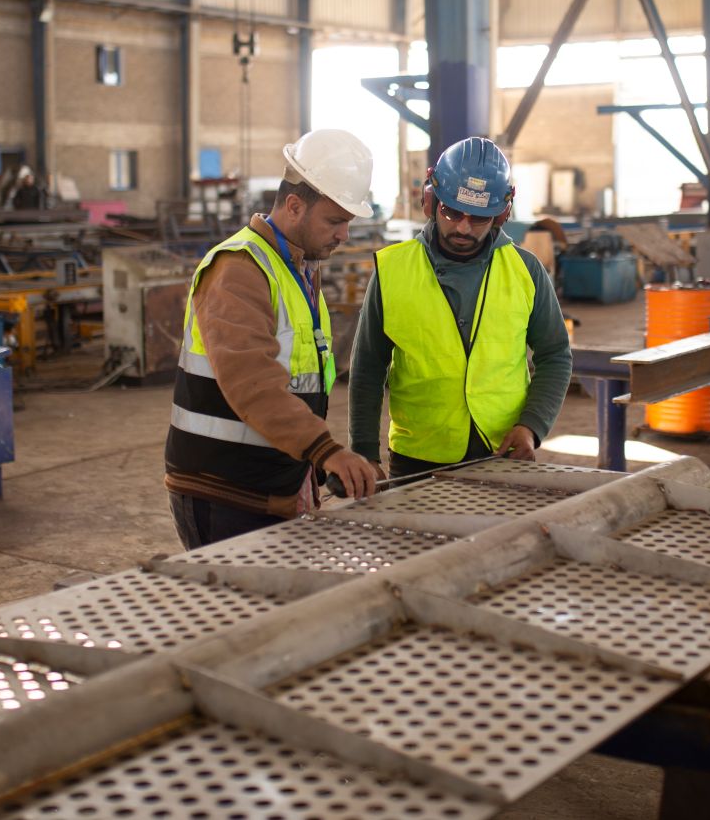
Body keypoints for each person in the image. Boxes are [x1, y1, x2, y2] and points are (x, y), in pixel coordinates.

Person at [165, 129, 384, 548]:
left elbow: (299, 379)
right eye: (335, 221)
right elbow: (252, 382)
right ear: (295, 206)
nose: (344, 235)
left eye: (348, 222)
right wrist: (325, 450)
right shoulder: (238, 269)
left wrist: (308, 467)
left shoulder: (297, 269)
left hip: (270, 484)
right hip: (223, 492)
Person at [350, 136, 572, 477]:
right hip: (418, 455)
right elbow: (368, 366)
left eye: (479, 217)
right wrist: (365, 451)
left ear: (501, 214)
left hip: (502, 450)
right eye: (451, 212)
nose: (463, 228)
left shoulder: (526, 271)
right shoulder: (392, 270)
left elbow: (555, 355)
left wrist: (532, 425)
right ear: (431, 200)